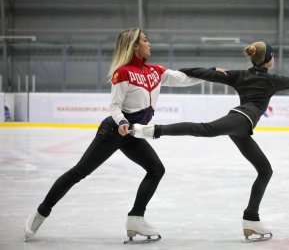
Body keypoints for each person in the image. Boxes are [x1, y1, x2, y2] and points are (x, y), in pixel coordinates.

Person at [131, 41, 289, 242]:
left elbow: (207, 74)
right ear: (269, 59)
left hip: (241, 126)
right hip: (242, 120)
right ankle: (154, 131)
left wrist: (185, 70)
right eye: (273, 55)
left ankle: (251, 219)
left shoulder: (240, 76)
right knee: (206, 129)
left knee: (265, 170)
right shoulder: (273, 80)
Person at [24, 28, 206, 243]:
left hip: (132, 134)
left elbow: (183, 78)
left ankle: (136, 218)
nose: (150, 44)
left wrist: (213, 74)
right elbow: (115, 106)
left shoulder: (155, 71)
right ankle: (41, 213)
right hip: (112, 132)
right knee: (79, 172)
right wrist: (121, 122)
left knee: (156, 169)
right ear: (134, 46)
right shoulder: (124, 72)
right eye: (145, 41)